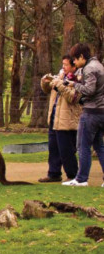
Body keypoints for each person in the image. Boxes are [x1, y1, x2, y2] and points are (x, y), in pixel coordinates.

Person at [61, 43, 104, 187]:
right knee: (99, 146)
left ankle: (81, 179)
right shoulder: (99, 65)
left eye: (75, 59)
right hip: (100, 111)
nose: (75, 62)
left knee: (83, 146)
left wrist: (73, 85)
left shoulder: (89, 68)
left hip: (92, 112)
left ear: (81, 57)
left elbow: (90, 90)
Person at [39, 55, 81, 183]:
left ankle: (73, 174)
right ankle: (54, 173)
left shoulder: (77, 80)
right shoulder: (61, 77)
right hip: (54, 117)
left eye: (66, 64)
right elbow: (47, 90)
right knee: (54, 147)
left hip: (67, 120)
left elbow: (73, 97)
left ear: (74, 66)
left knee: (66, 149)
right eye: (63, 64)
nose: (63, 67)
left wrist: (60, 85)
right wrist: (45, 81)